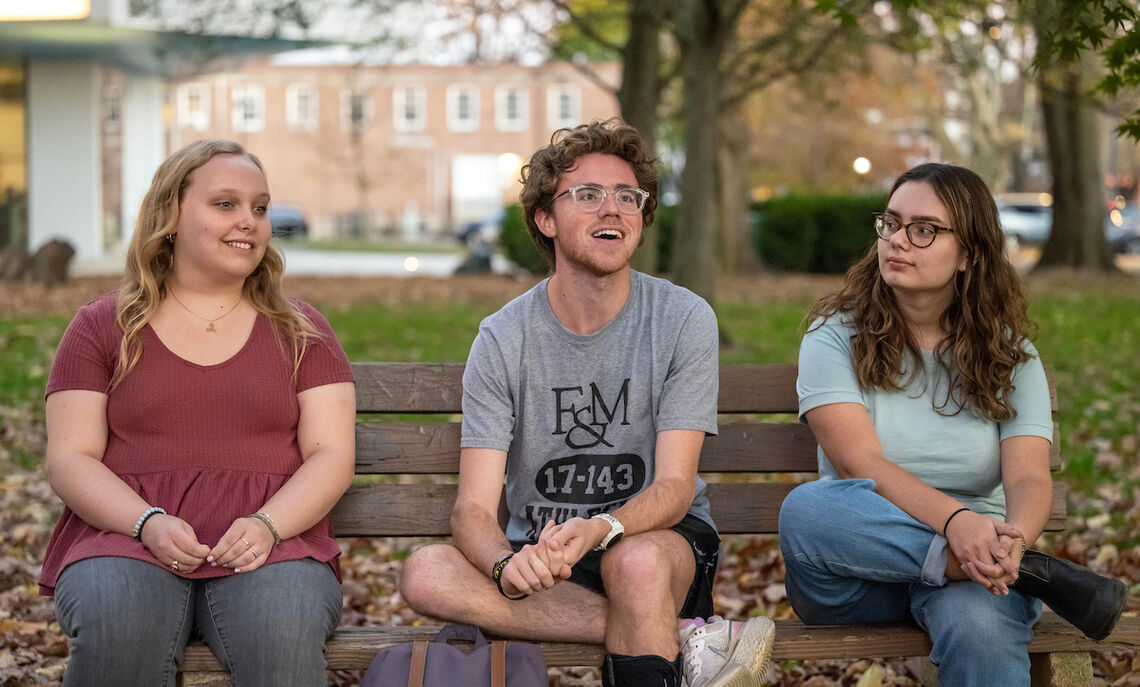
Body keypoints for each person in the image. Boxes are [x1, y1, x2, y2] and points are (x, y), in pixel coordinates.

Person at [399, 119, 774, 687]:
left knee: (636, 565)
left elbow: (674, 490)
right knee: (426, 572)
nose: (613, 209)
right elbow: (473, 511)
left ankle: (656, 615)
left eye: (628, 196)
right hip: (546, 556)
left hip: (658, 541)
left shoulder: (682, 319)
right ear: (545, 220)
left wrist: (602, 527)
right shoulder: (503, 339)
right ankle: (690, 635)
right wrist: (506, 564)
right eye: (588, 195)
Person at [778, 162, 1127, 686]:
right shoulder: (833, 336)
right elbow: (860, 463)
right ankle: (1024, 573)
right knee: (807, 510)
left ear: (969, 254)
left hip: (978, 577)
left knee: (982, 630)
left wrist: (1012, 545)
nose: (898, 241)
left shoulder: (1013, 358)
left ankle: (999, 568)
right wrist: (956, 527)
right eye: (890, 223)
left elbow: (1029, 478)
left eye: (924, 230)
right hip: (855, 577)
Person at [40, 139, 356, 687]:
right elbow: (71, 459)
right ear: (169, 217)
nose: (250, 222)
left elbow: (331, 455)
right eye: (225, 204)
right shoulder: (101, 327)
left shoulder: (302, 331)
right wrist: (146, 522)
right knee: (119, 621)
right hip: (125, 537)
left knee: (281, 630)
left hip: (270, 546)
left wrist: (266, 525)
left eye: (259, 208)